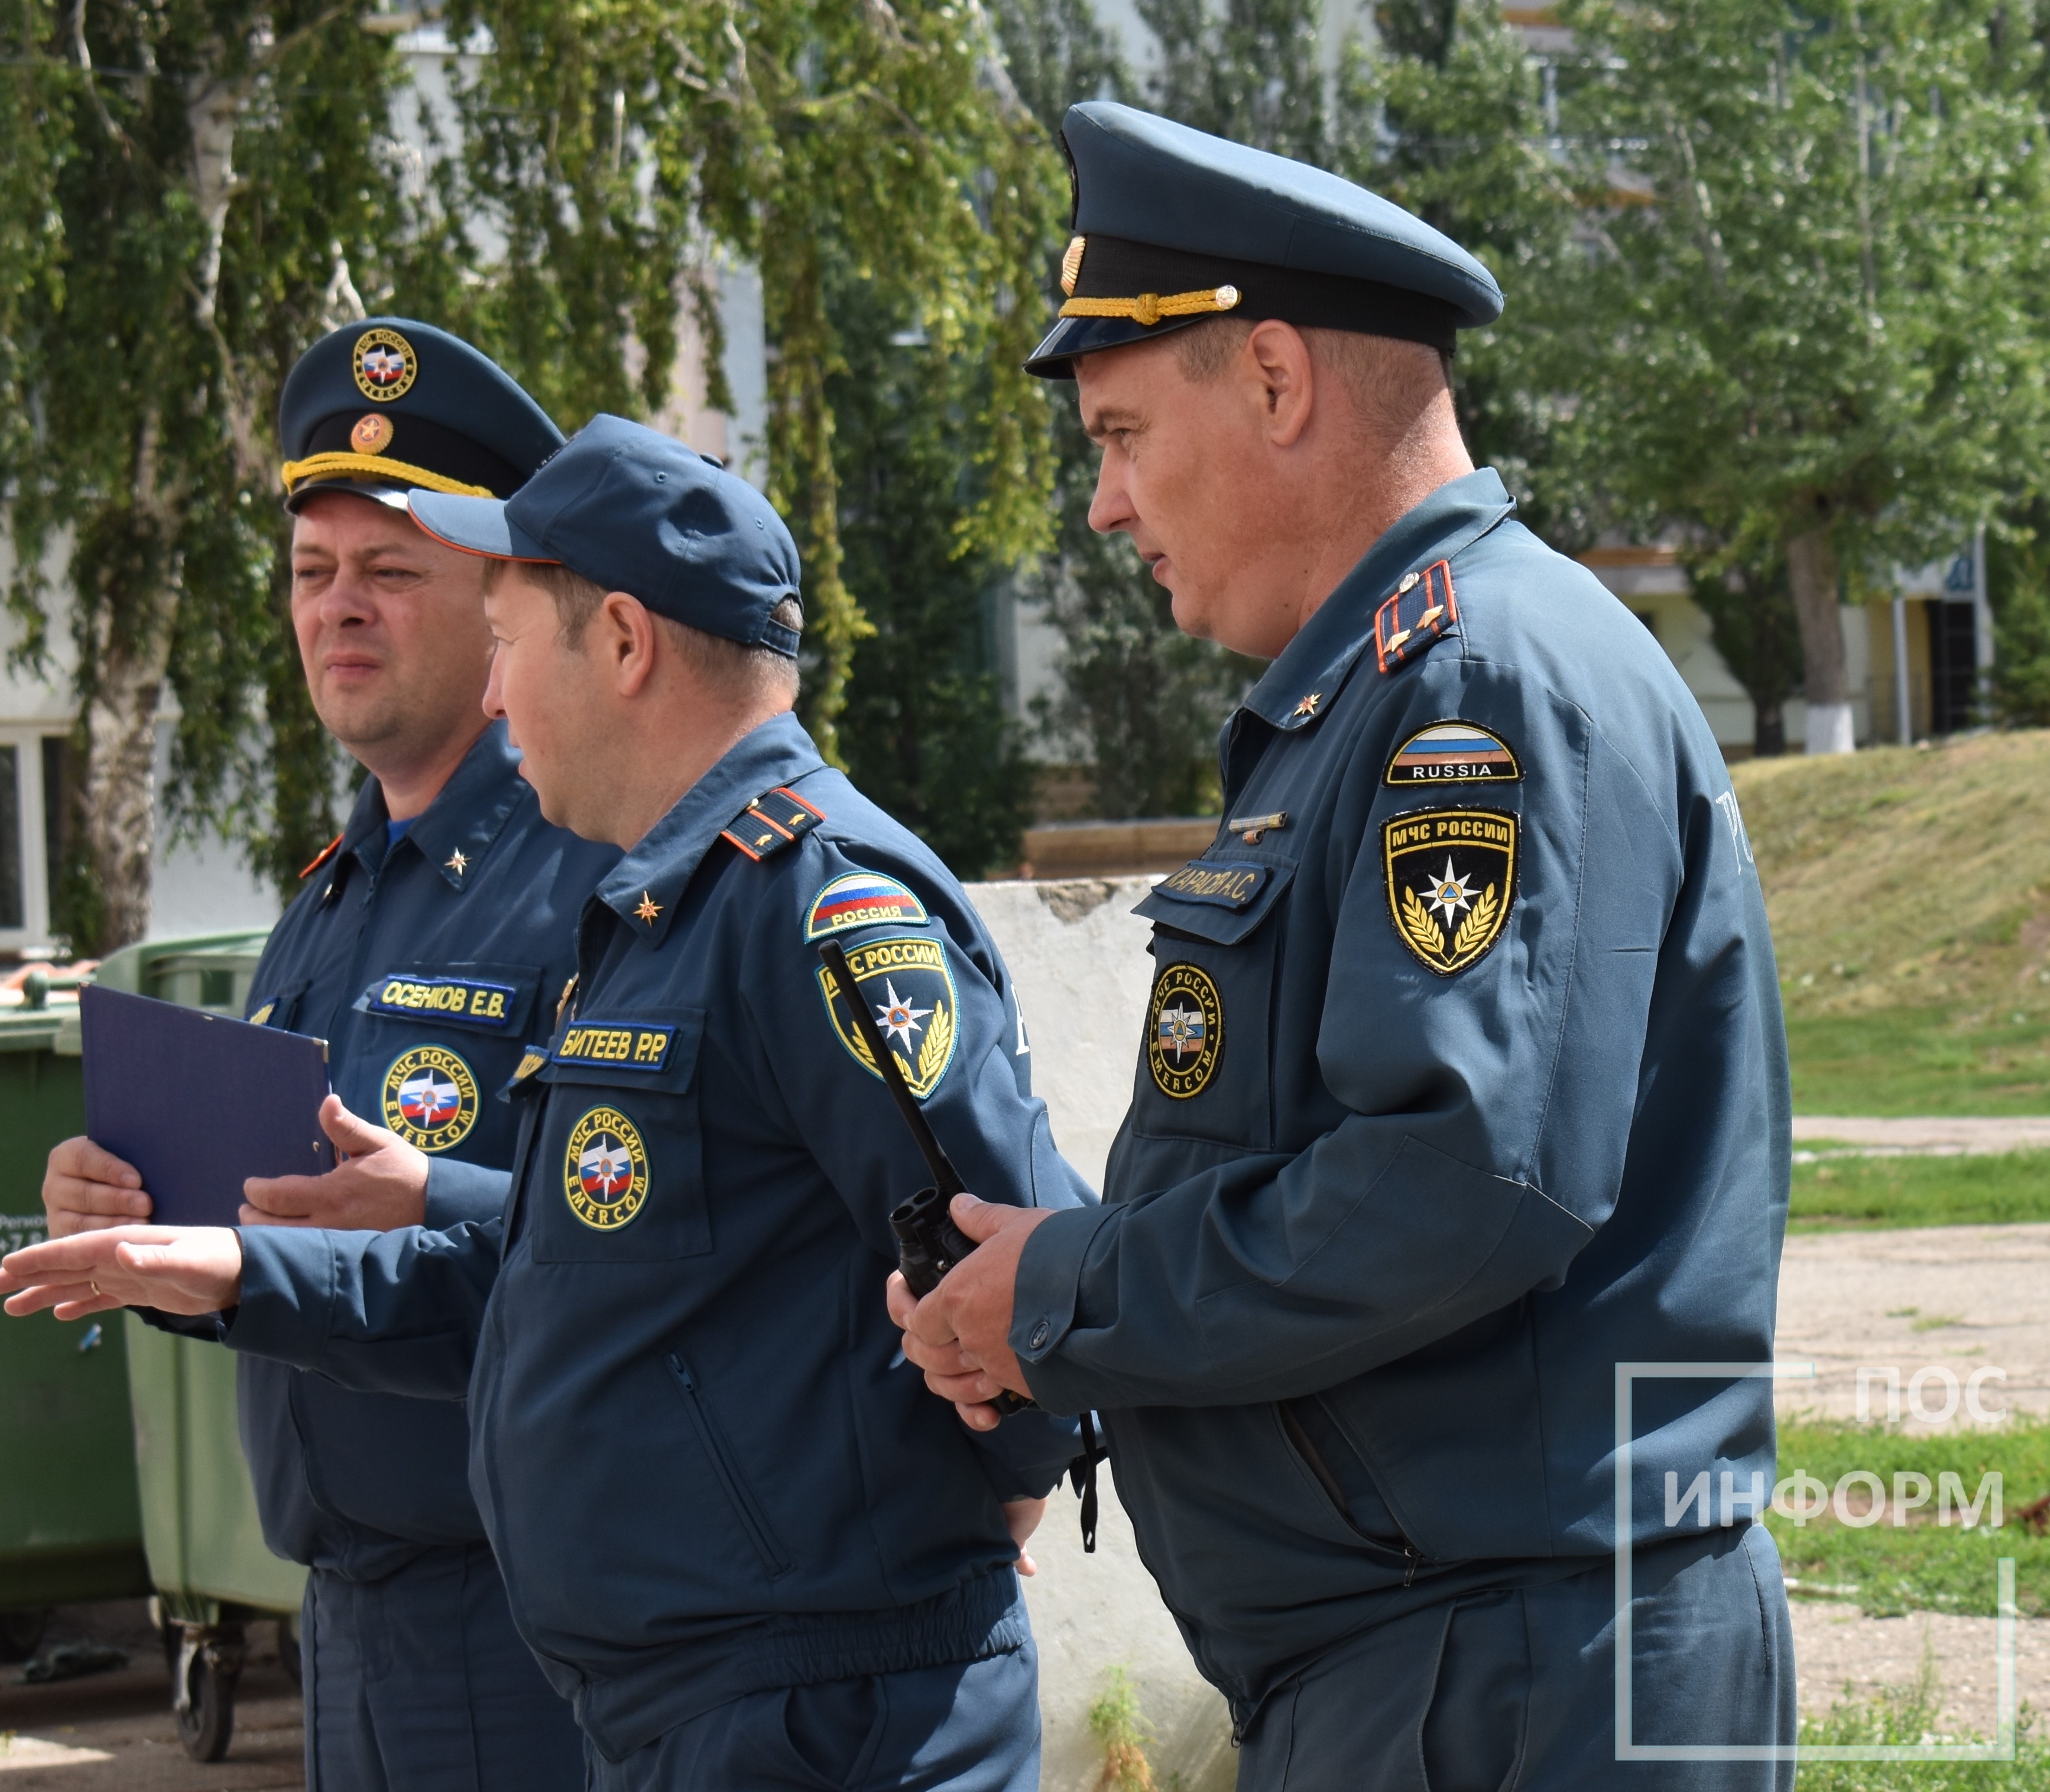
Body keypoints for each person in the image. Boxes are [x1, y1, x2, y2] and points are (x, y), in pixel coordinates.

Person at [888, 102, 1798, 1789]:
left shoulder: (1471, 685)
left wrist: (1075, 1294)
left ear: (1278, 384)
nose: (1103, 506)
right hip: (1455, 1656)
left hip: (1509, 1674)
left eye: (1120, 434)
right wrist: (1052, 1298)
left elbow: (1457, 1186)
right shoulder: (1377, 691)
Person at [4, 414, 1095, 1791]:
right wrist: (233, 1267)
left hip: (824, 1709)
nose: (500, 700)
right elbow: (587, 1256)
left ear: (626, 643)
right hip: (691, 1704)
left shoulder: (819, 902)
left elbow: (1017, 1244)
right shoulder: (656, 910)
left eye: (511, 644)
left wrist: (996, 1496)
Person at [38, 319, 612, 1789]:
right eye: (312, 573)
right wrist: (137, 1228)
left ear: (504, 602)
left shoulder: (589, 879)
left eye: (390, 572)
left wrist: (237, 1266)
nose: (338, 610)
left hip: (533, 1619)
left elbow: (609, 1260)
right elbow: (278, 1220)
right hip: (341, 1624)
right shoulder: (333, 893)